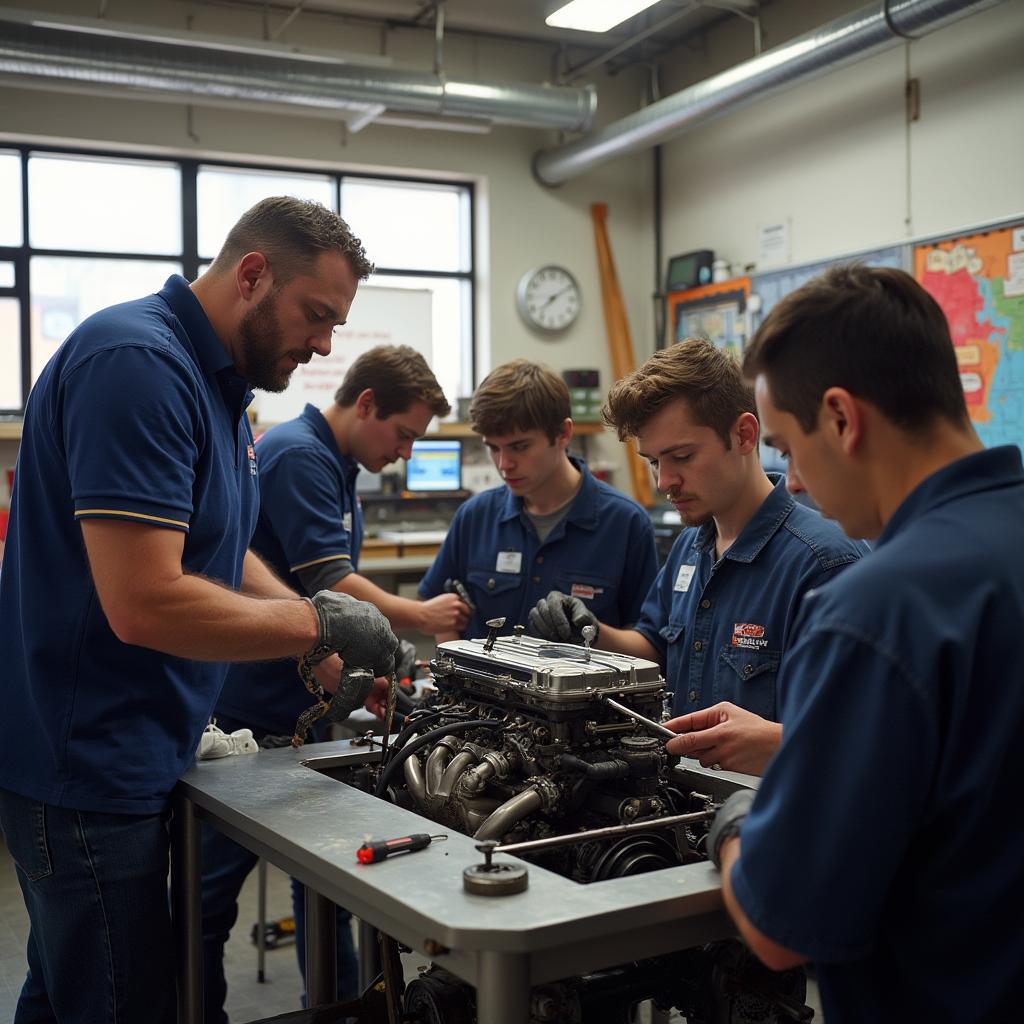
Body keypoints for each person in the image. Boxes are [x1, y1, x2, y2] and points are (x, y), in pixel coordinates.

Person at [0, 196, 401, 1024]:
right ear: (252, 274)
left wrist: (306, 627)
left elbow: (218, 549)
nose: (326, 345)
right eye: (316, 315)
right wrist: (319, 622)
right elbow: (144, 602)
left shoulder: (219, 385)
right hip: (87, 769)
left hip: (134, 753)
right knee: (119, 1003)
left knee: (68, 995)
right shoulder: (137, 363)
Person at [706, 265, 1024, 1021]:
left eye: (786, 446)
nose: (796, 486)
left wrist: (731, 827)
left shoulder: (873, 609)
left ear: (843, 419)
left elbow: (780, 928)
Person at [201, 345, 468, 1020]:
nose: (406, 452)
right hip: (253, 714)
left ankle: (345, 1009)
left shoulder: (333, 460)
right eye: (404, 433)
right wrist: (421, 615)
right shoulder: (301, 455)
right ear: (367, 403)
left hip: (298, 703)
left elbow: (307, 605)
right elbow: (329, 587)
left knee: (326, 886)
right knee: (206, 900)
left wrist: (339, 670)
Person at [530, 338, 866, 775]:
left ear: (744, 435)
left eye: (682, 457)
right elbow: (653, 646)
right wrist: (589, 630)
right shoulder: (692, 546)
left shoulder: (823, 567)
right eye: (653, 461)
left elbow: (856, 743)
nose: (664, 481)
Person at [419, 359, 658, 642]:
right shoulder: (475, 517)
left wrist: (591, 632)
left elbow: (649, 644)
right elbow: (439, 614)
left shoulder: (625, 523)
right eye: (493, 448)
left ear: (563, 434)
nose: (504, 464)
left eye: (520, 447)